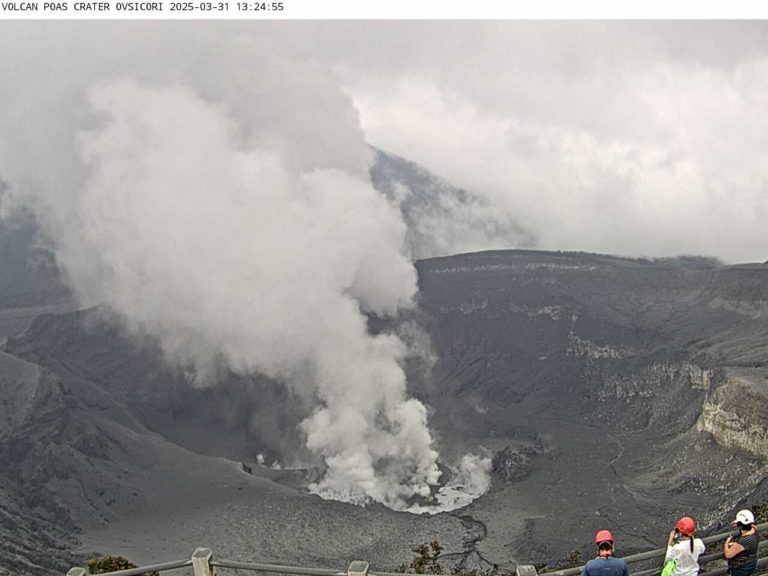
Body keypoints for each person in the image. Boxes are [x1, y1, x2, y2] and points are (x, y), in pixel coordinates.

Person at [724, 509, 759, 576]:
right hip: (751, 562)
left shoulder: (743, 541)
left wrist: (726, 543)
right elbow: (749, 524)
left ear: (741, 525)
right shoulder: (754, 530)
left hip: (742, 567)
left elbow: (728, 555)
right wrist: (738, 523)